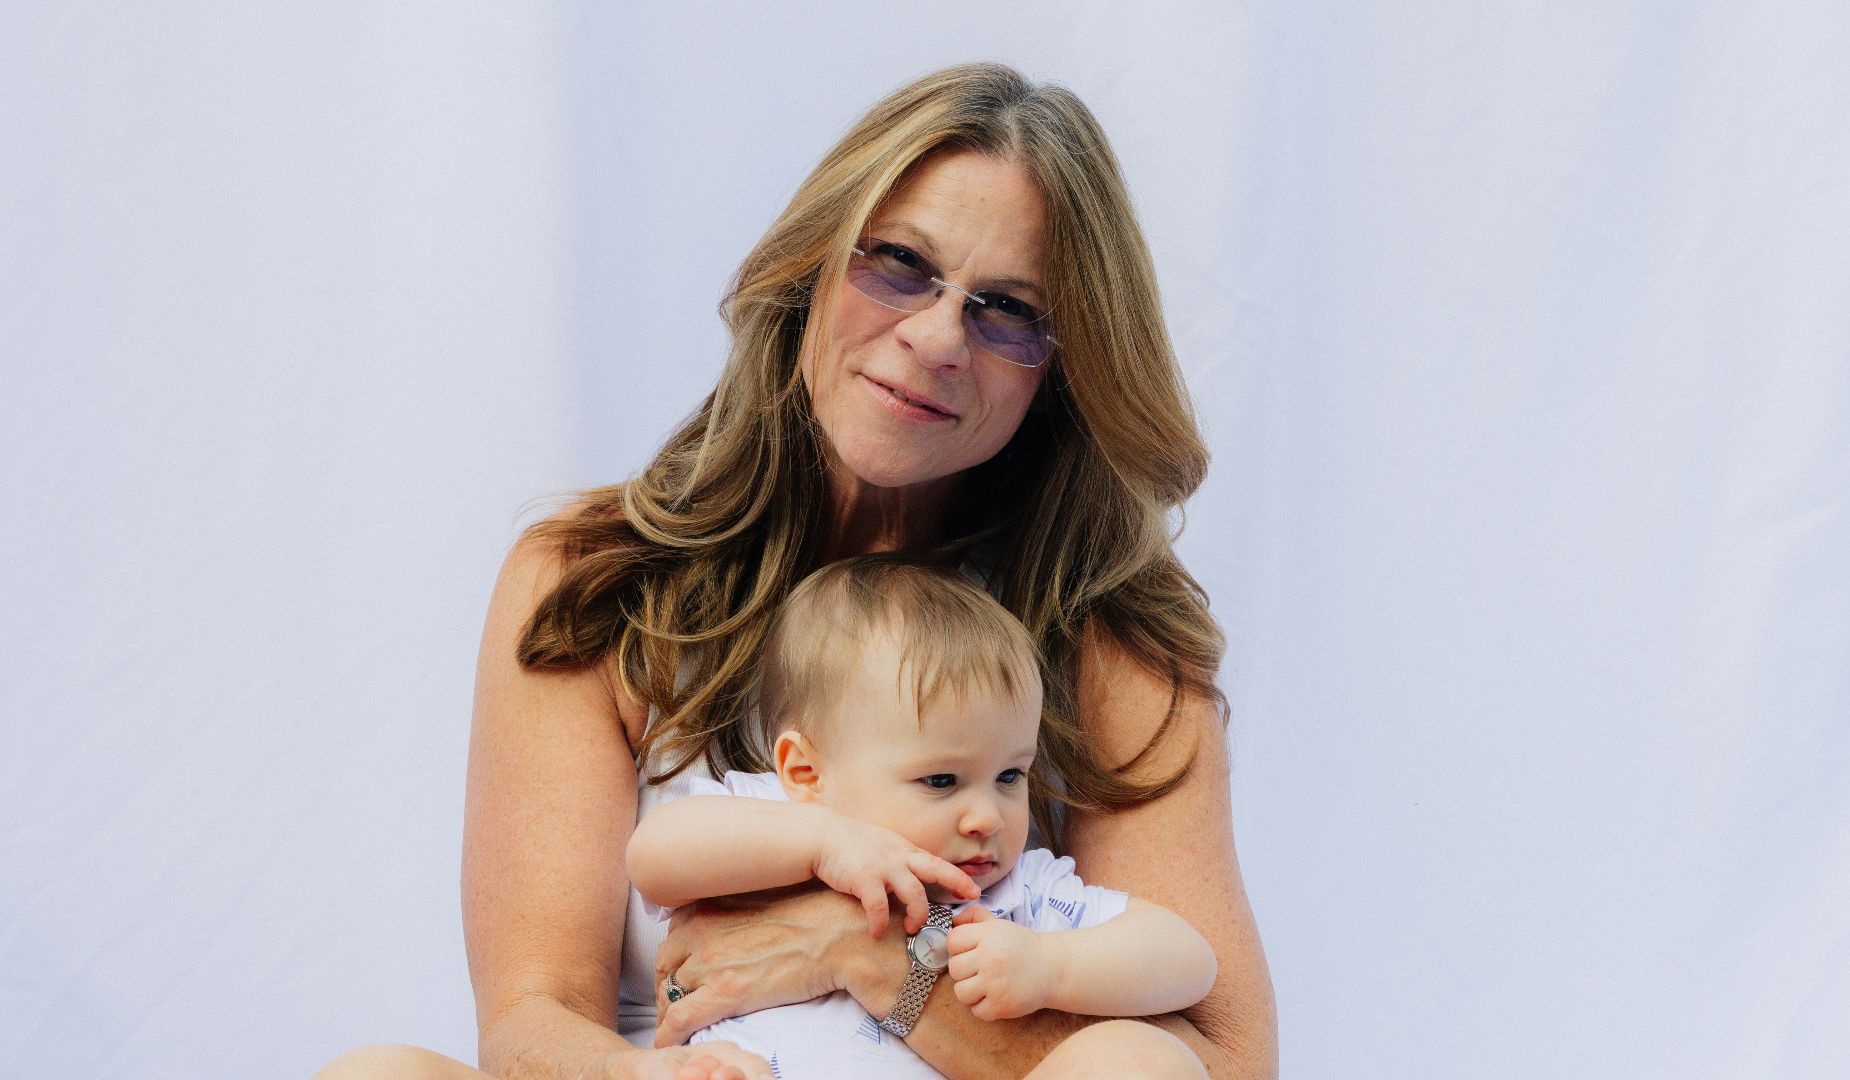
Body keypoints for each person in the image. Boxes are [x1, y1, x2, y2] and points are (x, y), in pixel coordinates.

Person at [317, 61, 1276, 1080]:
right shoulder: (591, 584)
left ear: (1064, 368)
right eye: (901, 263)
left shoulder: (1110, 634)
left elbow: (1221, 1063)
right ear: (812, 263)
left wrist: (864, 955)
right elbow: (534, 1019)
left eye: (1006, 311)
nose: (937, 336)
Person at [627, 557, 1217, 1078]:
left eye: (1011, 776)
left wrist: (1051, 967)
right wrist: (823, 843)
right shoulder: (776, 823)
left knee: (1145, 1060)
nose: (987, 816)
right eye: (941, 781)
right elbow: (653, 857)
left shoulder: (1020, 895)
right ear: (806, 775)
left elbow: (1191, 960)